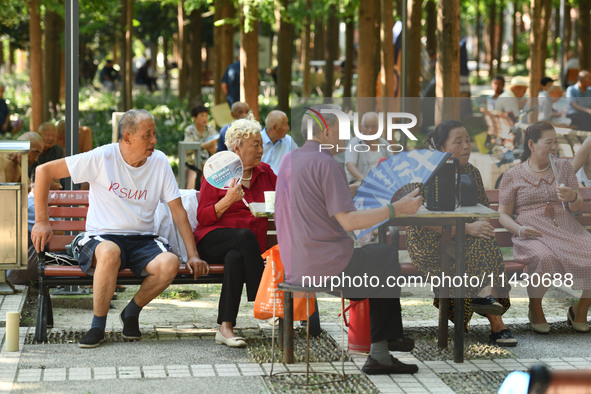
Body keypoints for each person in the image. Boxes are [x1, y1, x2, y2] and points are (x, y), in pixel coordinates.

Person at [31, 109, 209, 348]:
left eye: (154, 134)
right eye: (148, 135)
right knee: (110, 251)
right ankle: (97, 326)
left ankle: (131, 312)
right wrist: (43, 220)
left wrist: (194, 255)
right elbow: (44, 171)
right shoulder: (102, 157)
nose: (154, 141)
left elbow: (178, 212)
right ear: (127, 137)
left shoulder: (159, 162)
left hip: (142, 239)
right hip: (100, 238)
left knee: (169, 263)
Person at [275, 105, 423, 375]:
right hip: (328, 268)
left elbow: (316, 197)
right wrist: (397, 209)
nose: (346, 138)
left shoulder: (291, 159)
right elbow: (349, 221)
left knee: (378, 262)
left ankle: (384, 347)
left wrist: (352, 187)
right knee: (387, 256)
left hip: (296, 265)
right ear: (327, 131)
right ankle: (386, 343)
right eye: (342, 132)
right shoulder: (327, 163)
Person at [403, 120, 516, 346]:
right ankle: (494, 318)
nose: (466, 146)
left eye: (467, 140)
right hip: (430, 242)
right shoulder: (423, 172)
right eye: (458, 141)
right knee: (475, 250)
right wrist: (467, 228)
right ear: (443, 148)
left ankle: (486, 300)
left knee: (484, 242)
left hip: (466, 238)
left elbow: (484, 207)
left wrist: (482, 225)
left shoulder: (471, 172)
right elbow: (417, 217)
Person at [499, 122, 591, 333]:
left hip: (564, 226)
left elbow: (577, 206)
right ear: (531, 144)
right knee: (544, 258)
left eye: (556, 142)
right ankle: (535, 307)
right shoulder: (512, 175)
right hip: (531, 231)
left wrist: (572, 196)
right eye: (548, 142)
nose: (554, 147)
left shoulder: (564, 167)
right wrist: (519, 230)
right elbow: (503, 214)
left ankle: (581, 309)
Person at [194, 114, 276, 348]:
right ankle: (263, 299)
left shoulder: (265, 172)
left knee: (236, 257)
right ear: (237, 148)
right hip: (212, 239)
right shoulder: (217, 172)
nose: (261, 149)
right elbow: (203, 216)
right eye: (255, 144)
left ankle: (225, 328)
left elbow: (283, 196)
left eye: (261, 144)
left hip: (246, 249)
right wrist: (227, 201)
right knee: (243, 237)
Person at [345, 112, 393, 184]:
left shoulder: (384, 144)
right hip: (359, 183)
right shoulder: (355, 143)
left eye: (373, 127)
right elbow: (350, 165)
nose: (370, 130)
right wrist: (366, 180)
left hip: (381, 183)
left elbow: (393, 163)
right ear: (361, 127)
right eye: (366, 127)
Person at [183, 105, 217, 189]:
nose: (205, 118)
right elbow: (188, 148)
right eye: (202, 116)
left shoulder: (210, 129)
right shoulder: (189, 130)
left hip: (207, 161)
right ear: (194, 118)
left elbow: (214, 149)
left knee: (208, 170)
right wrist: (205, 145)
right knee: (191, 176)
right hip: (192, 161)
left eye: (206, 116)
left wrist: (198, 146)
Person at [261, 110, 297, 175]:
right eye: (285, 124)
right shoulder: (257, 141)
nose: (288, 128)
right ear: (275, 127)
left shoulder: (288, 140)